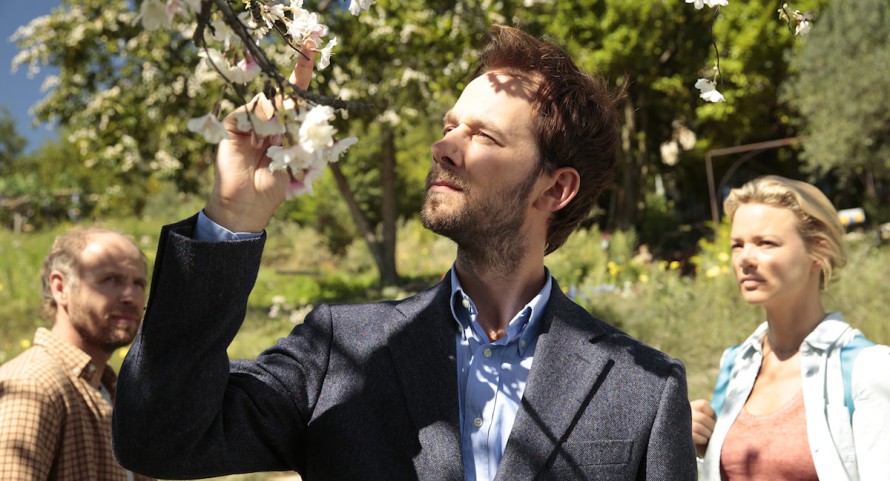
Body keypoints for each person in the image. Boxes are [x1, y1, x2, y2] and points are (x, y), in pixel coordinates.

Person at [112, 25, 697, 480]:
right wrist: (232, 216)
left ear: (556, 188)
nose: (443, 146)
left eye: (483, 136)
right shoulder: (338, 349)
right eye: (450, 125)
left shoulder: (643, 388)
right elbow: (159, 438)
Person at [690, 175, 890, 480]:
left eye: (765, 243)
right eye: (737, 245)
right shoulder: (735, 363)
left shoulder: (867, 367)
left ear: (818, 252)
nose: (745, 259)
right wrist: (697, 444)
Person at [0, 228, 153, 481]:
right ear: (60, 288)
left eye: (138, 283)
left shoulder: (109, 390)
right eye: (111, 280)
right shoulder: (34, 386)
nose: (131, 297)